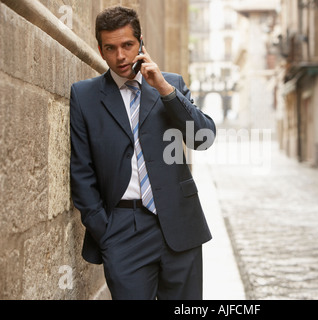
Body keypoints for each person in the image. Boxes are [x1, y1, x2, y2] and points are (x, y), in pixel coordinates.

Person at [69, 6, 216, 300]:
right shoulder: (85, 96)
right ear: (100, 49)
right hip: (123, 231)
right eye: (110, 48)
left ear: (141, 44)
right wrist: (104, 231)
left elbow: (203, 137)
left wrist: (163, 89)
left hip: (179, 224)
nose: (120, 56)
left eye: (127, 45)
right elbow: (81, 171)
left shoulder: (170, 84)